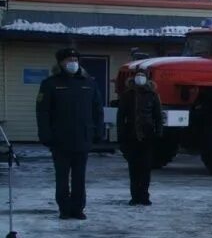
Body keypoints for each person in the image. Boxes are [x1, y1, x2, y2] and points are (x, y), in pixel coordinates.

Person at [36, 48, 104, 220]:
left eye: (75, 59)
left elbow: (97, 109)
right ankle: (64, 209)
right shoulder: (50, 83)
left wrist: (98, 131)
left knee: (79, 178)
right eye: (68, 59)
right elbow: (43, 112)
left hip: (83, 138)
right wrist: (45, 135)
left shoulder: (89, 82)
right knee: (62, 177)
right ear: (60, 63)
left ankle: (78, 208)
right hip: (60, 139)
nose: (72, 62)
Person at [116, 66, 164, 206]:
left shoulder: (152, 95)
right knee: (134, 168)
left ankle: (144, 196)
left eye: (142, 75)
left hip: (148, 136)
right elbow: (121, 118)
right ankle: (135, 196)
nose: (140, 78)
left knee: (146, 168)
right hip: (131, 136)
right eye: (138, 75)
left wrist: (158, 133)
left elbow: (158, 116)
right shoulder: (127, 95)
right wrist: (121, 136)